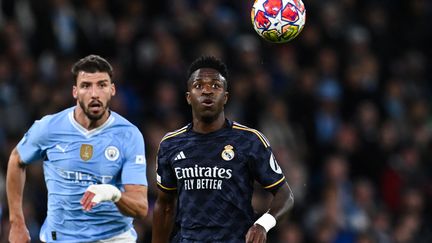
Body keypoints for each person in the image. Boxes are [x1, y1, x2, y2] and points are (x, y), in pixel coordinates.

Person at [6, 54, 148, 243]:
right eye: (86, 86)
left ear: (112, 89)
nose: (94, 93)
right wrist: (16, 222)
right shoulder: (49, 128)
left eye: (102, 85)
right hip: (60, 238)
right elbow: (16, 159)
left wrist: (112, 194)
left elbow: (140, 208)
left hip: (113, 238)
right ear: (75, 91)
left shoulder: (129, 135)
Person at [152, 56, 294, 243]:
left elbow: (285, 195)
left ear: (225, 97)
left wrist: (263, 224)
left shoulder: (249, 140)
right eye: (198, 85)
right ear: (188, 97)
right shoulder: (171, 144)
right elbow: (165, 206)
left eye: (216, 86)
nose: (207, 91)